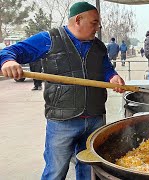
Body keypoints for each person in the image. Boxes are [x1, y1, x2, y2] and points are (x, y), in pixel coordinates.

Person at [0, 2, 125, 179]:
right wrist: (8, 62)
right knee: (56, 170)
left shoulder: (98, 46)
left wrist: (112, 77)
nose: (97, 27)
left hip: (95, 118)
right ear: (78, 20)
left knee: (89, 170)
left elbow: (106, 68)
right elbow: (11, 51)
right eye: (94, 23)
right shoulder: (50, 39)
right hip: (62, 121)